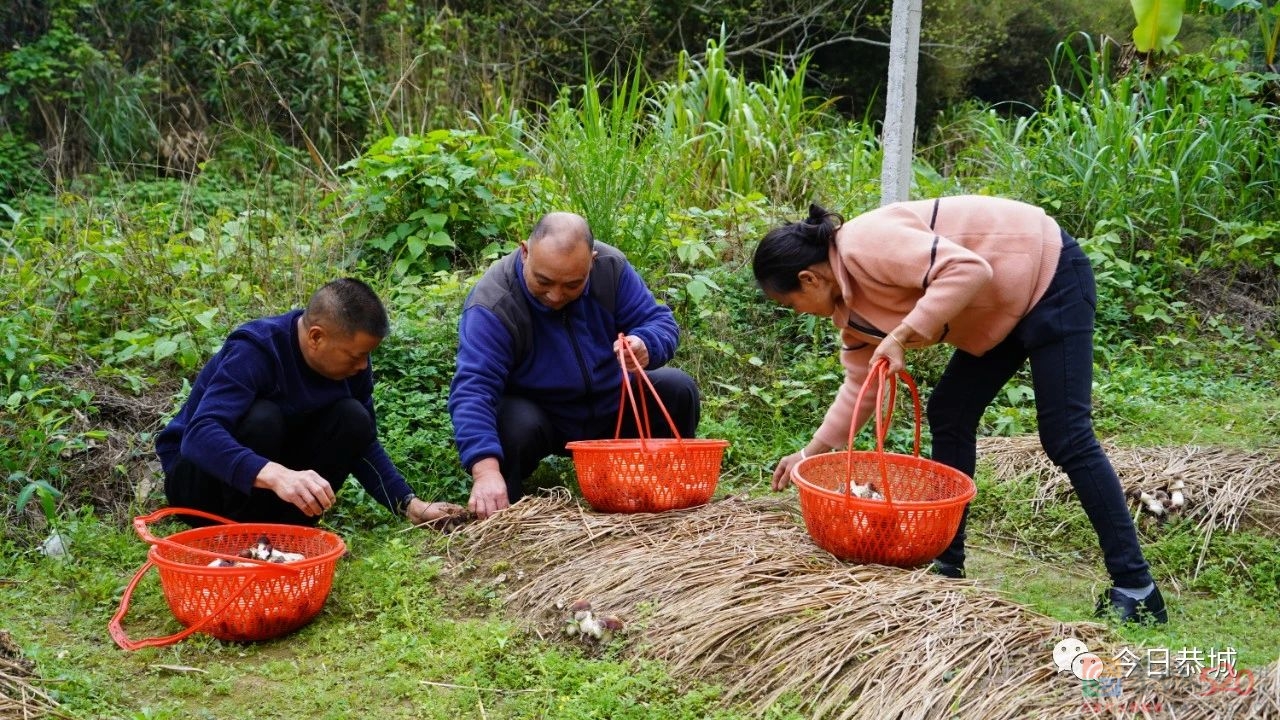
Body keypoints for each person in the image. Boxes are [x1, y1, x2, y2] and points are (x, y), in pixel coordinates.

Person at [752, 196, 1167, 625]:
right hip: (1000, 312)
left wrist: (903, 334)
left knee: (1067, 435)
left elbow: (968, 269)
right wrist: (810, 453)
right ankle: (946, 561)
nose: (796, 313)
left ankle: (1137, 587)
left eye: (790, 304)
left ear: (809, 279)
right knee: (950, 411)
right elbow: (862, 386)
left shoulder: (864, 242)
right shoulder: (851, 316)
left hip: (1048, 274)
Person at [449, 211, 700, 519]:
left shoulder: (611, 268)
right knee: (512, 420)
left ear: (591, 262)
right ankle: (503, 507)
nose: (556, 295)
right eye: (543, 281)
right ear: (525, 252)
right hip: (545, 417)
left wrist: (646, 343)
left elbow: (657, 320)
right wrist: (485, 471)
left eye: (572, 285)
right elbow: (473, 389)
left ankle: (665, 489)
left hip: (613, 404)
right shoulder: (493, 301)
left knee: (676, 387)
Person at [157, 277, 464, 528]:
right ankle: (239, 538)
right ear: (316, 337)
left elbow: (364, 443)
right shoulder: (256, 349)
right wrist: (275, 474)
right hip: (199, 487)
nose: (362, 365)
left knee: (353, 416)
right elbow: (199, 437)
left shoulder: (353, 367)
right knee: (263, 418)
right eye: (355, 356)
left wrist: (410, 504)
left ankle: (287, 534)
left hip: (269, 485)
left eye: (367, 355)